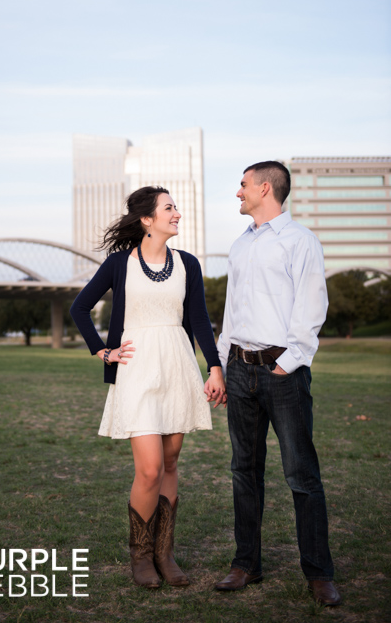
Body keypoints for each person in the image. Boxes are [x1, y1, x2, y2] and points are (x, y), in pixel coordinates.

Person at [71, 185, 226, 589]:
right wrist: (103, 352)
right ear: (147, 219)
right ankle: (140, 556)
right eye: (169, 208)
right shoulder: (119, 263)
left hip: (177, 366)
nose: (177, 213)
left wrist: (214, 367)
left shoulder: (188, 264)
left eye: (175, 207)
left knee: (171, 462)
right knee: (150, 468)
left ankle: (164, 552)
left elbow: (198, 320)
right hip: (137, 370)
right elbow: (80, 307)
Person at [205, 161, 341, 606]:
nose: (237, 193)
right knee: (244, 471)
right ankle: (246, 565)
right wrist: (223, 365)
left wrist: (291, 361)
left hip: (282, 372)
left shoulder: (301, 241)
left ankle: (319, 574)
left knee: (301, 474)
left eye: (243, 185)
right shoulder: (240, 246)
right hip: (240, 370)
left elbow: (311, 304)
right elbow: (232, 312)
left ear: (266, 188)